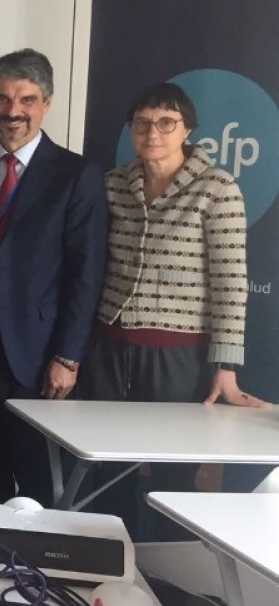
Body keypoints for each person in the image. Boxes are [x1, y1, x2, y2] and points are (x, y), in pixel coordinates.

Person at [79, 83, 268, 537]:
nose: (153, 133)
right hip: (110, 347)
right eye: (142, 123)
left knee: (172, 475)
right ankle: (113, 563)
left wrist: (226, 366)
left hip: (178, 357)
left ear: (188, 130)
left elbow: (230, 282)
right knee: (105, 469)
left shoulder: (217, 189)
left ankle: (166, 573)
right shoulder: (113, 184)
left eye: (166, 123)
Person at [0, 49, 107, 506]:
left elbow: (86, 273)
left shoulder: (76, 175)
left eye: (27, 99)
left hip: (38, 353)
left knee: (38, 473)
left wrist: (68, 356)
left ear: (47, 103)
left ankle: (38, 554)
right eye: (2, 98)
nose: (13, 110)